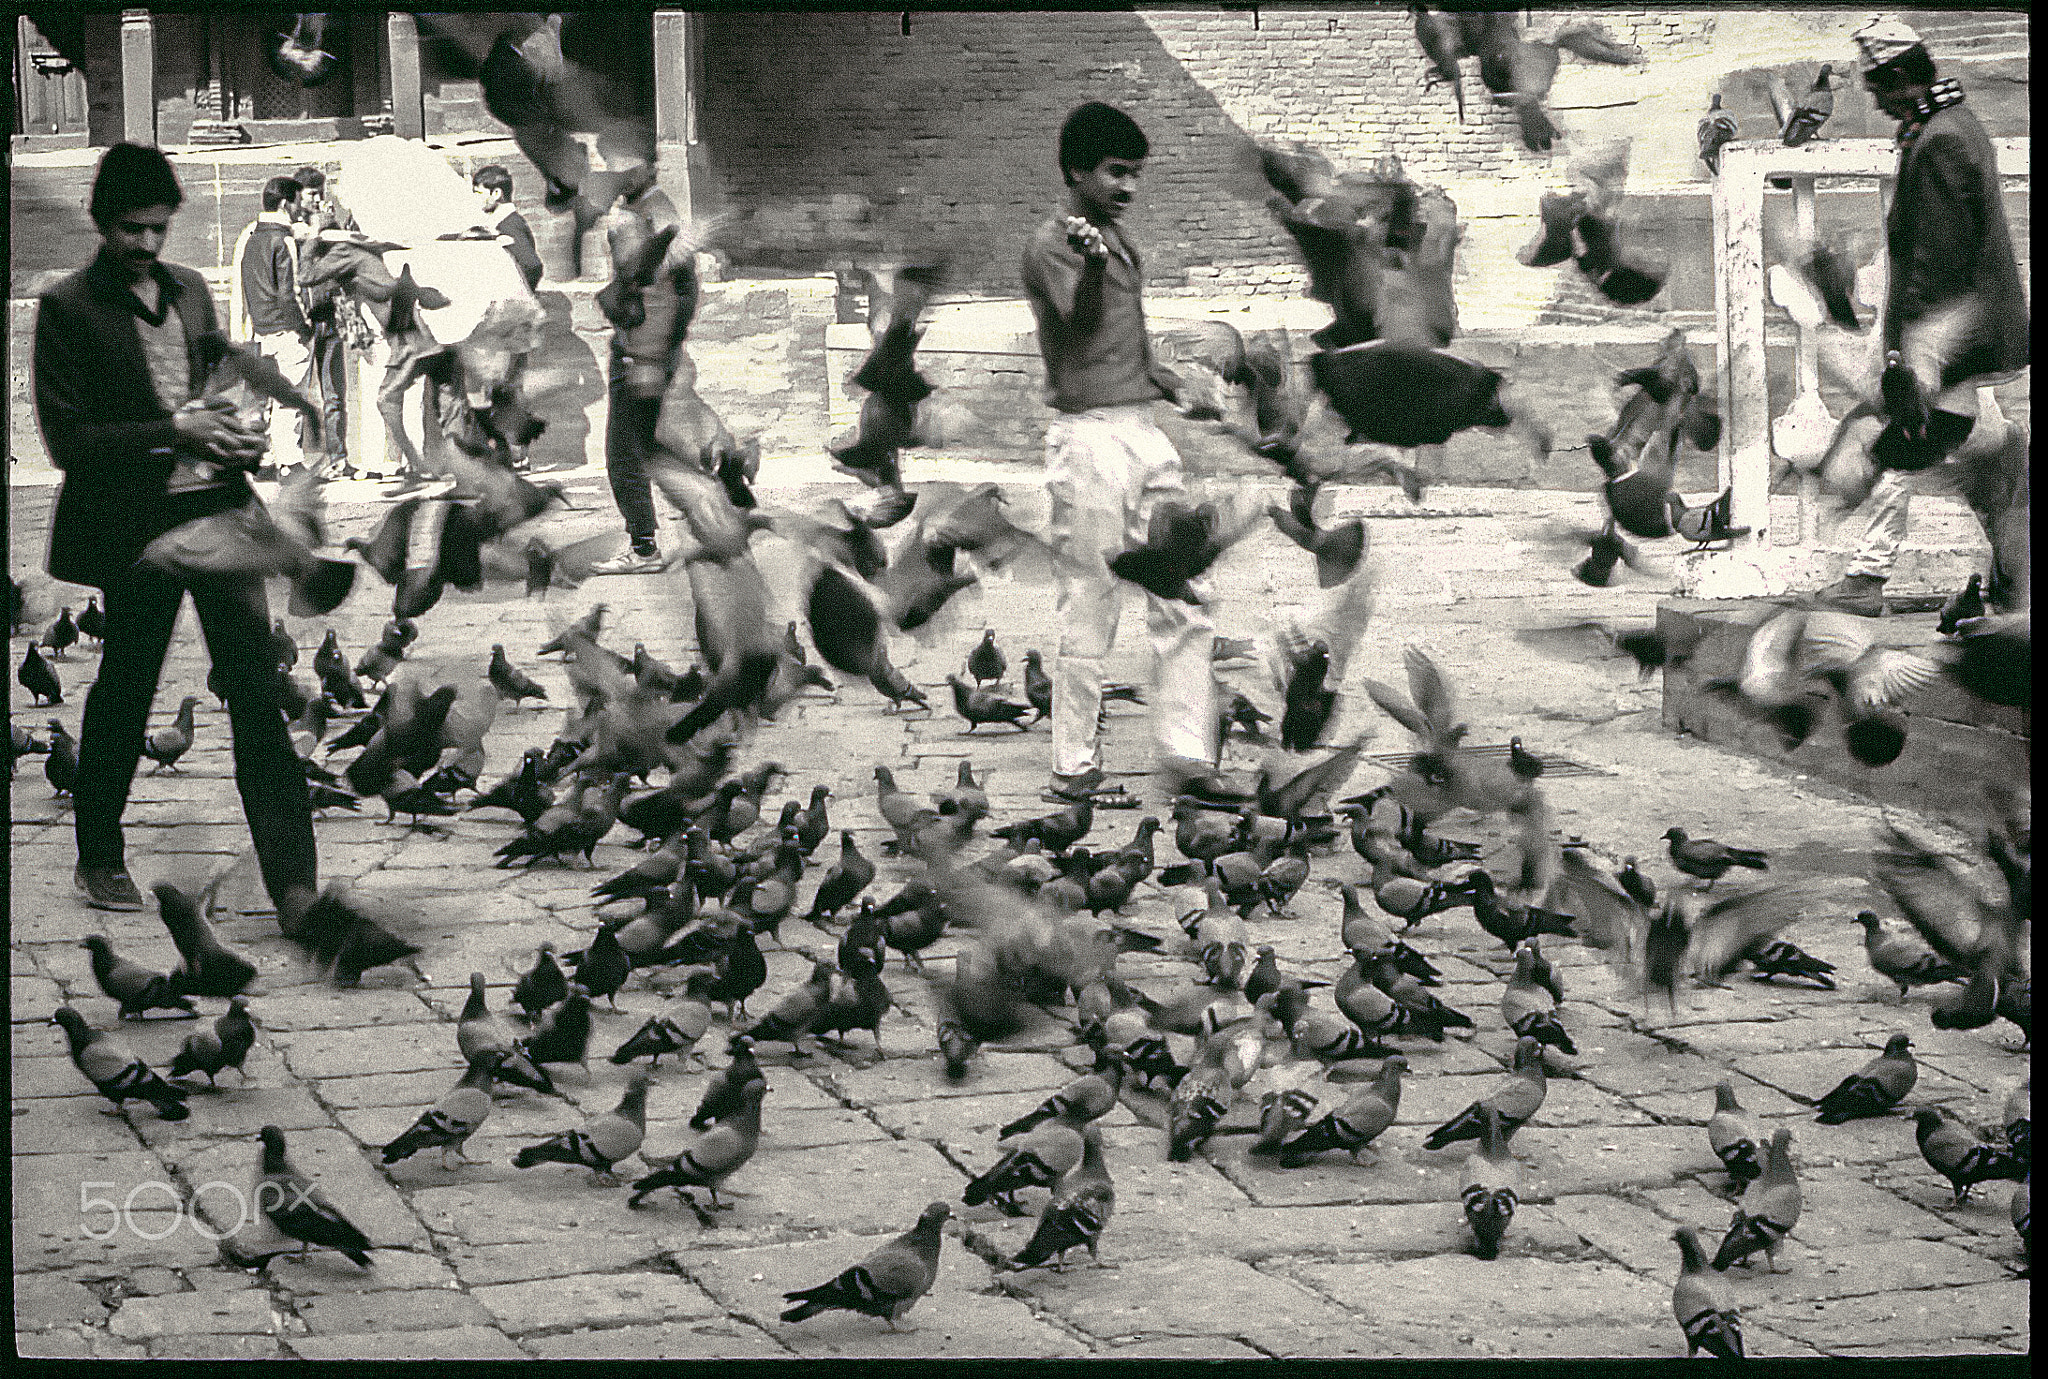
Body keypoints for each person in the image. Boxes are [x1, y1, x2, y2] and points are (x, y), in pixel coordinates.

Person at [33, 144, 318, 921]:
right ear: (100, 222)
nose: (148, 245)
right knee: (127, 687)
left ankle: (294, 881)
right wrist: (174, 433)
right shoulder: (67, 308)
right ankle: (100, 854)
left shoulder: (192, 291)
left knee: (258, 692)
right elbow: (70, 443)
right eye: (132, 229)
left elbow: (213, 388)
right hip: (135, 527)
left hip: (219, 514)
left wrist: (234, 431)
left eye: (160, 228)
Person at [1021, 102, 1229, 802]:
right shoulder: (1055, 244)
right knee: (1092, 600)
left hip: (1141, 428)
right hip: (1088, 441)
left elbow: (1123, 338)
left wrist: (1175, 385)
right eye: (1116, 172)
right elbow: (1078, 329)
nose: (1128, 187)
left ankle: (1188, 756)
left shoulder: (1113, 239)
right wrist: (1089, 263)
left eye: (1136, 174)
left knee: (1185, 585)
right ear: (1076, 168)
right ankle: (1073, 768)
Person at [1809, 18, 2029, 616]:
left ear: (1901, 79)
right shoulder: (1949, 126)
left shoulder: (1940, 139)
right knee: (1986, 455)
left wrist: (1910, 356)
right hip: (1963, 336)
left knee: (1901, 436)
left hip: (1950, 337)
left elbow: (1940, 256)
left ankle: (1866, 578)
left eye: (1878, 87)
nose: (1874, 99)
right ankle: (2011, 585)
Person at [590, 163, 700, 575]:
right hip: (648, 352)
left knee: (625, 453)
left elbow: (659, 297)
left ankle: (643, 545)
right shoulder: (657, 212)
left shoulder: (642, 219)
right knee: (649, 448)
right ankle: (700, 518)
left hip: (640, 354)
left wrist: (646, 358)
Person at [236, 174, 316, 480]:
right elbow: (289, 291)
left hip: (262, 328)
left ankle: (268, 459)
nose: (299, 209)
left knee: (269, 397)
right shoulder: (282, 240)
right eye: (296, 202)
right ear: (286, 203)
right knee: (290, 397)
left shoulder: (253, 238)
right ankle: (290, 461)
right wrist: (304, 326)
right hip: (285, 328)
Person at [290, 165, 353, 479]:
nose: (317, 199)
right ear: (298, 196)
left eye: (320, 193)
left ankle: (337, 457)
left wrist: (335, 226)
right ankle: (292, 459)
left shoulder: (327, 221)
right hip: (303, 318)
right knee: (296, 392)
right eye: (312, 194)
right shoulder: (291, 228)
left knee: (334, 392)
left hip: (330, 315)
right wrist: (316, 231)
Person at [473, 164, 545, 291]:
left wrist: (515, 293)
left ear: (496, 193)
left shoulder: (508, 224)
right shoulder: (504, 222)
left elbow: (533, 265)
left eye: (478, 193)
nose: (475, 198)